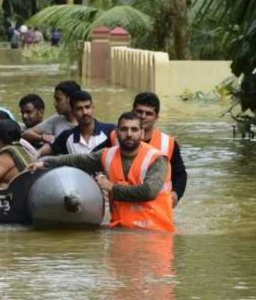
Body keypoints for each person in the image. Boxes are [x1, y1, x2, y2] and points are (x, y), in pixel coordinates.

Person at [29, 112, 175, 233]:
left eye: (134, 130)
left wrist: (111, 187)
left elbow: (149, 192)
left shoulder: (157, 158)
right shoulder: (107, 155)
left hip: (156, 233)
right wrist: (46, 162)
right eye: (124, 129)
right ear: (116, 133)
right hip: (120, 231)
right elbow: (78, 160)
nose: (129, 134)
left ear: (142, 133)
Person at [94, 92, 187, 206]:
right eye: (139, 111)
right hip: (122, 208)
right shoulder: (116, 136)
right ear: (132, 112)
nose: (143, 116)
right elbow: (93, 158)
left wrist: (176, 193)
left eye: (148, 113)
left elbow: (180, 174)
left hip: (156, 211)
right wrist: (100, 177)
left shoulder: (168, 143)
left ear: (156, 117)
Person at [39, 90, 115, 157]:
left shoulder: (110, 131)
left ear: (93, 108)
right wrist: (37, 153)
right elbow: (50, 149)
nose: (85, 112)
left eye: (87, 107)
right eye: (79, 109)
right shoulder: (66, 136)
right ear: (72, 112)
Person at [23, 80, 82, 145]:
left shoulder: (86, 123)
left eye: (58, 99)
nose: (55, 104)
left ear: (70, 100)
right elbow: (26, 133)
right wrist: (42, 137)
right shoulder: (56, 120)